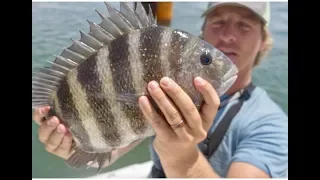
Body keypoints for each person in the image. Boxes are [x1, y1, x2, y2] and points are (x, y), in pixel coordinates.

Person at [32, 2, 288, 178]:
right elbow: (108, 152)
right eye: (218, 21)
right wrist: (70, 145)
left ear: (264, 41)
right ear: (203, 30)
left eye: (245, 26)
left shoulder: (270, 125)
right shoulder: (169, 89)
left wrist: (180, 154)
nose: (229, 35)